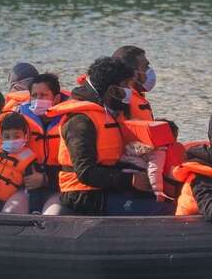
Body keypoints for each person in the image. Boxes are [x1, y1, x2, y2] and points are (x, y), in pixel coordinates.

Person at [45, 57, 158, 215]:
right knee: (158, 209)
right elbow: (85, 172)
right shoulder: (80, 121)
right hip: (82, 194)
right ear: (112, 90)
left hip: (105, 186)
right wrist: (130, 180)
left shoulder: (107, 111)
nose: (129, 91)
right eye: (125, 85)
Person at [3, 73, 67, 213]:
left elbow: (77, 166)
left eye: (43, 95)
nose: (38, 100)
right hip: (28, 186)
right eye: (34, 95)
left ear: (56, 98)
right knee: (10, 212)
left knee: (52, 216)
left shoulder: (69, 120)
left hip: (59, 187)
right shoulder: (20, 116)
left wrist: (46, 179)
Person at [112, 45, 157, 121]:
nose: (150, 70)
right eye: (146, 66)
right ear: (133, 73)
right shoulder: (121, 100)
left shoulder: (135, 97)